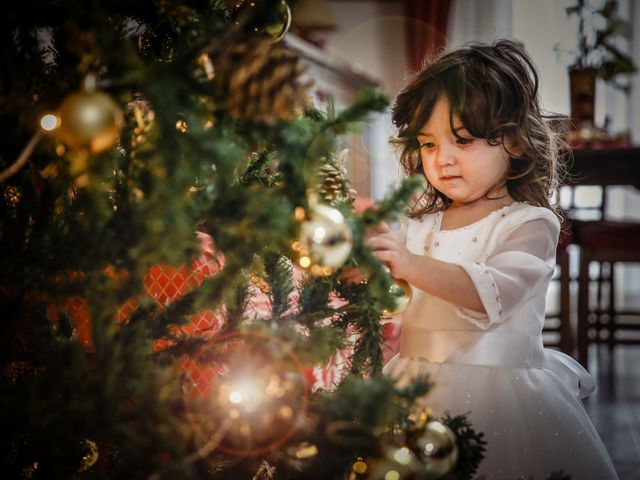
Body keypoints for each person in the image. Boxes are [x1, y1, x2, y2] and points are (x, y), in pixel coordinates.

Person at [368, 40, 619, 479]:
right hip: (411, 387)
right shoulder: (419, 224)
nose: (441, 160)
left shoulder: (528, 224)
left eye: (461, 140)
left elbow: (491, 294)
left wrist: (408, 264)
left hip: (501, 396)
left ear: (516, 142)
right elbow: (392, 289)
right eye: (428, 144)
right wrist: (366, 263)